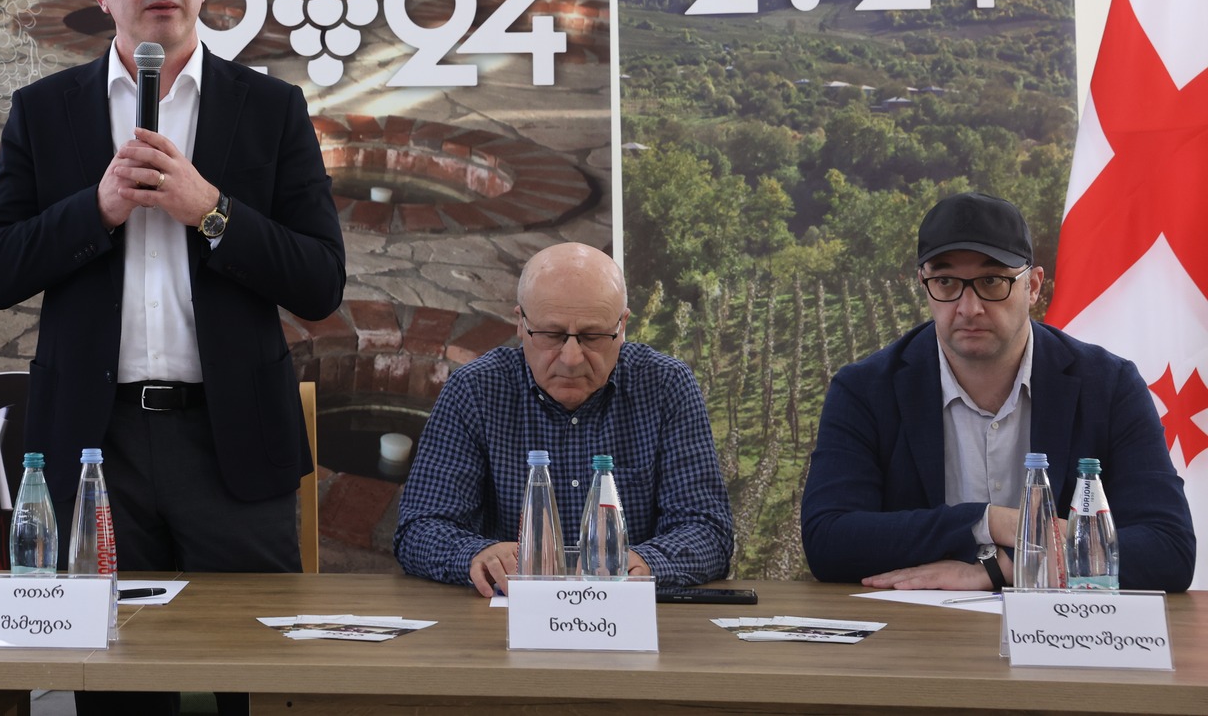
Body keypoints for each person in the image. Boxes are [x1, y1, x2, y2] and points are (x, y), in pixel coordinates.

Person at [0, 0, 344, 715]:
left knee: (262, 687)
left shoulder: (269, 108)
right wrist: (96, 208)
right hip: (94, 449)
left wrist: (211, 209)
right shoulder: (46, 111)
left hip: (232, 442)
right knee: (118, 691)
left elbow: (321, 281)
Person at [801, 191, 1195, 591]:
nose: (968, 307)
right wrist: (988, 521)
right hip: (919, 627)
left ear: (1033, 286)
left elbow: (1169, 549)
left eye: (991, 281)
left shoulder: (1109, 386)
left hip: (1065, 627)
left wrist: (1003, 568)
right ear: (923, 284)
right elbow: (828, 540)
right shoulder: (864, 390)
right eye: (946, 282)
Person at [395, 243, 734, 593]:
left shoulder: (665, 386)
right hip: (507, 615)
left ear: (622, 326)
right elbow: (420, 527)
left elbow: (708, 529)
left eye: (593, 336)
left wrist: (648, 562)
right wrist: (476, 555)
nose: (571, 359)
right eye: (551, 335)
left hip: (629, 612)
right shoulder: (476, 389)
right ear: (521, 323)